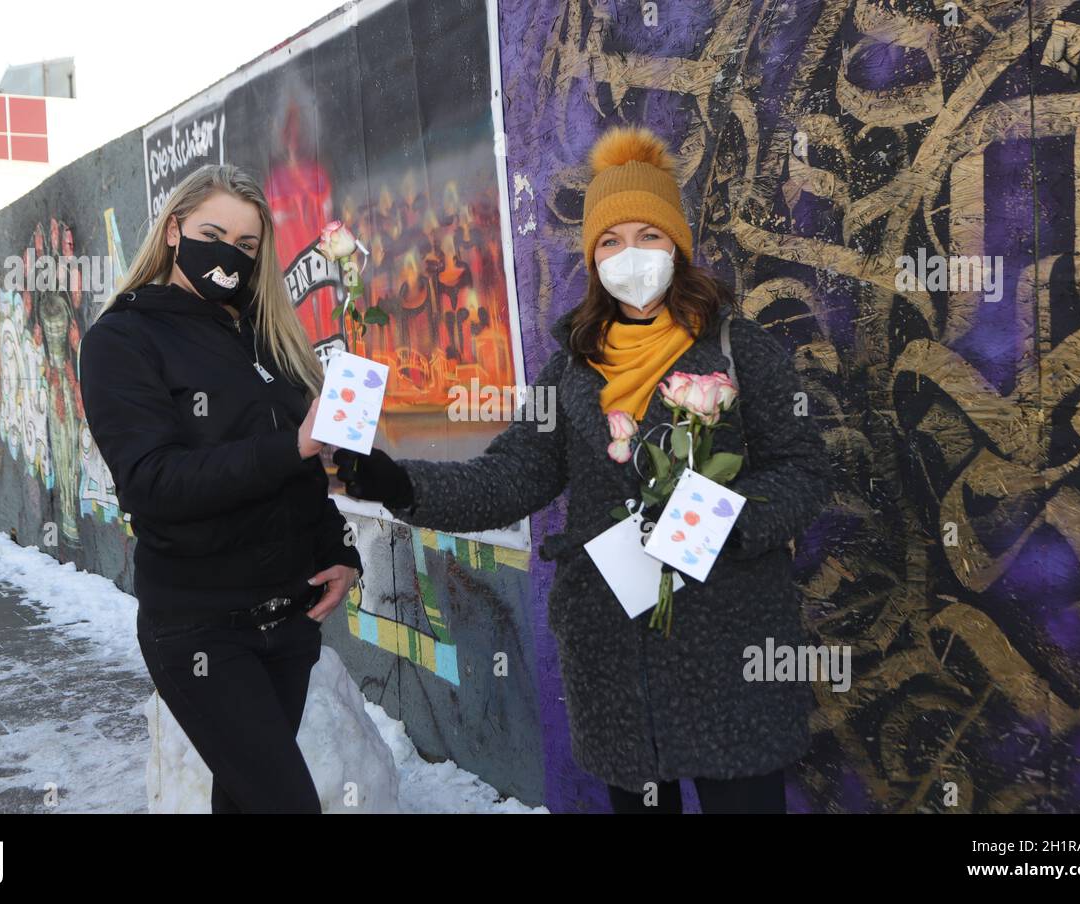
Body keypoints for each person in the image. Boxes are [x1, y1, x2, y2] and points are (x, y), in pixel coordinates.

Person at [334, 125, 831, 813]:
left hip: (731, 649)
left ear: (677, 245)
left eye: (648, 236)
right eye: (610, 241)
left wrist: (717, 521)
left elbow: (803, 470)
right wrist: (396, 483)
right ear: (593, 258)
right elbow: (510, 474)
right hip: (615, 659)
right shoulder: (569, 369)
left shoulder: (738, 351)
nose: (632, 256)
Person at [78, 164, 361, 813]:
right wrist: (290, 445)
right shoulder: (122, 339)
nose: (227, 255)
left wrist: (339, 550)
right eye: (213, 232)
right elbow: (154, 482)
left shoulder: (265, 338)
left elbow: (302, 476)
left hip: (288, 624)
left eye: (246, 245)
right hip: (200, 629)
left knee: (245, 803)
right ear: (175, 230)